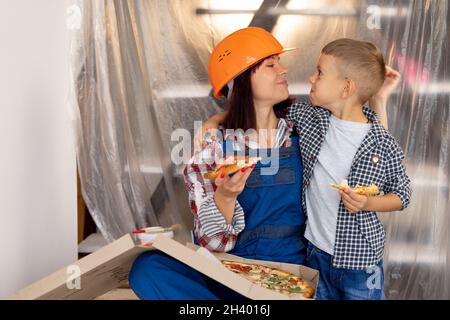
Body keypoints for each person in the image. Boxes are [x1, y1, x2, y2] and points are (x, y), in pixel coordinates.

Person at [202, 38, 410, 300]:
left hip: (351, 260)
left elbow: (390, 178)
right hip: (304, 259)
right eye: (270, 64)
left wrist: (368, 202)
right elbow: (252, 111)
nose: (306, 76)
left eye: (320, 73)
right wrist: (214, 121)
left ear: (346, 88)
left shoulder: (368, 138)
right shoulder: (312, 121)